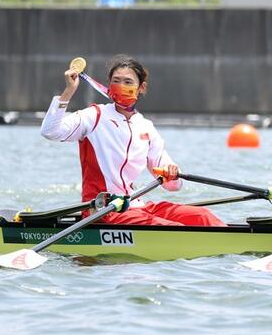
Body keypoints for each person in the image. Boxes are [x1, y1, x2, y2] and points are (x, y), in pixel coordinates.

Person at [40, 55, 226, 227]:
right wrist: (69, 91)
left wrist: (173, 173)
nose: (121, 86)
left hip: (136, 206)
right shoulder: (94, 116)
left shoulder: (146, 127)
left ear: (141, 88)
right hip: (102, 210)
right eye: (116, 81)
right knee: (172, 229)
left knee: (203, 216)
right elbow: (50, 131)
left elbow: (173, 186)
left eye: (128, 82)